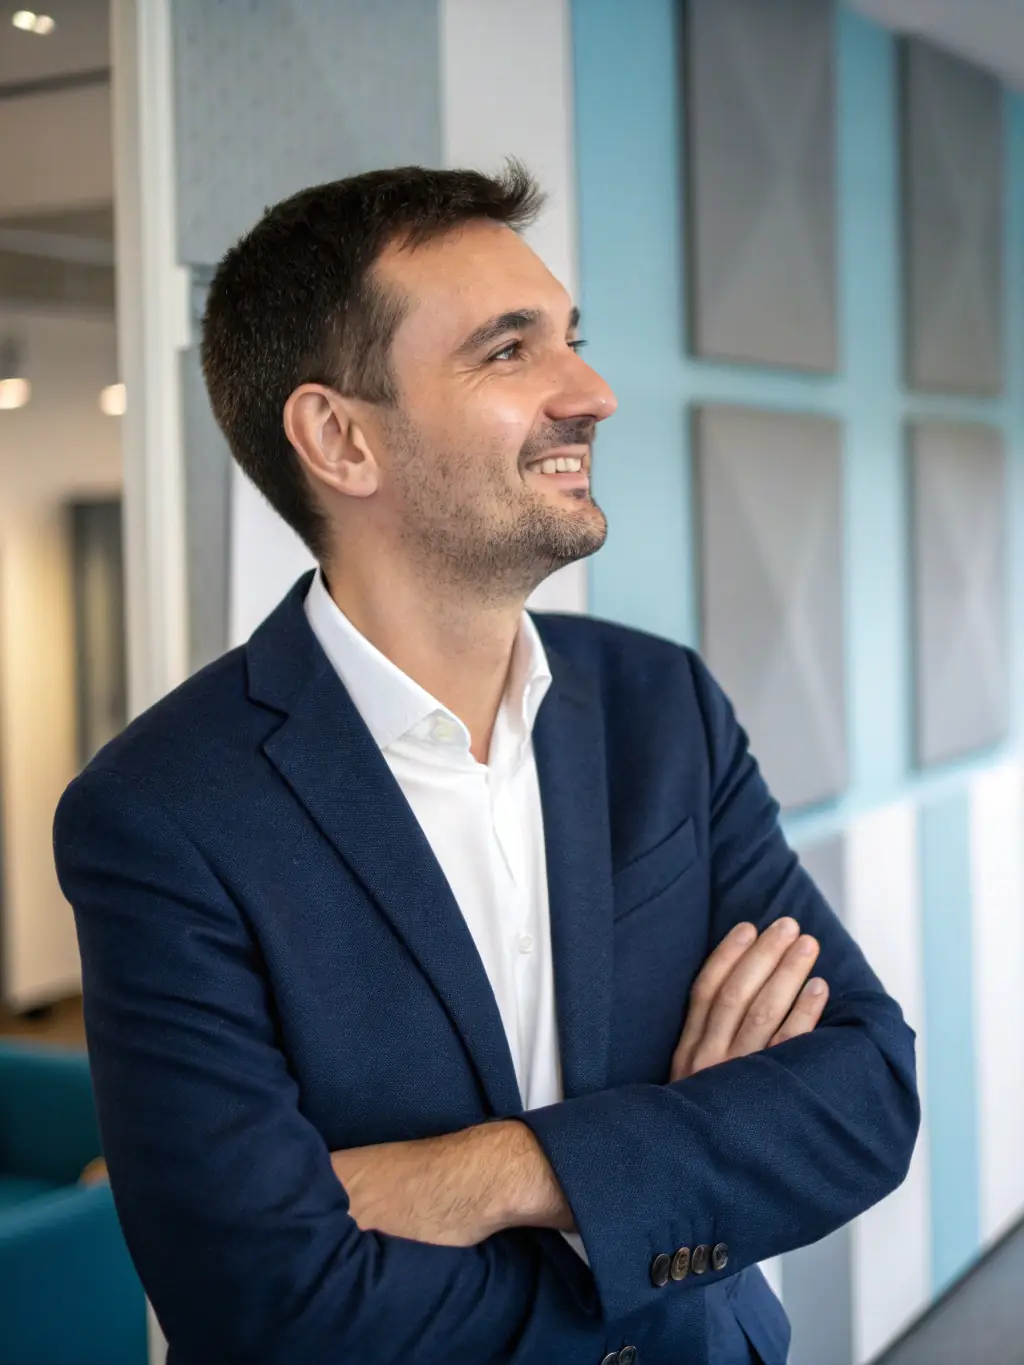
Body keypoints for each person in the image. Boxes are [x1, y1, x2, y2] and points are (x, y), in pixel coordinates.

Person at [54, 164, 919, 1365]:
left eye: (571, 340)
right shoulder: (161, 813)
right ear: (340, 438)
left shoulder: (660, 706)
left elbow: (865, 1095)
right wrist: (662, 1177)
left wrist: (498, 1173)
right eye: (509, 352)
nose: (592, 395)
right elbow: (265, 1302)